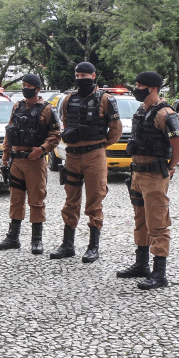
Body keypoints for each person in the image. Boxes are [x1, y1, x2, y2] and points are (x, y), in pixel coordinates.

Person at [116, 71, 179, 290]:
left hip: (154, 175)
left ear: (152, 88)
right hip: (137, 173)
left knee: (158, 223)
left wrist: (170, 166)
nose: (137, 88)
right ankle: (141, 265)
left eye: (140, 85)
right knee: (141, 220)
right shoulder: (142, 110)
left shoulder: (165, 113)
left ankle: (159, 274)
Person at [50, 62, 123, 263]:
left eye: (85, 75)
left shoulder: (105, 99)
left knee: (94, 200)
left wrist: (99, 145)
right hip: (73, 156)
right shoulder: (68, 99)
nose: (81, 78)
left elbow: (116, 130)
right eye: (78, 75)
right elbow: (65, 124)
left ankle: (93, 246)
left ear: (94, 76)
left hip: (94, 155)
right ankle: (68, 244)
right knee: (70, 200)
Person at [0, 74, 61, 254]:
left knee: (36, 200)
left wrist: (42, 149)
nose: (25, 88)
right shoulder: (17, 106)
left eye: (29, 85)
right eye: (23, 85)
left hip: (35, 161)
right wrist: (5, 157)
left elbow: (55, 135)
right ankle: (13, 238)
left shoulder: (48, 110)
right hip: (17, 160)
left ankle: (36, 240)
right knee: (16, 200)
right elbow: (9, 132)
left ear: (37, 89)